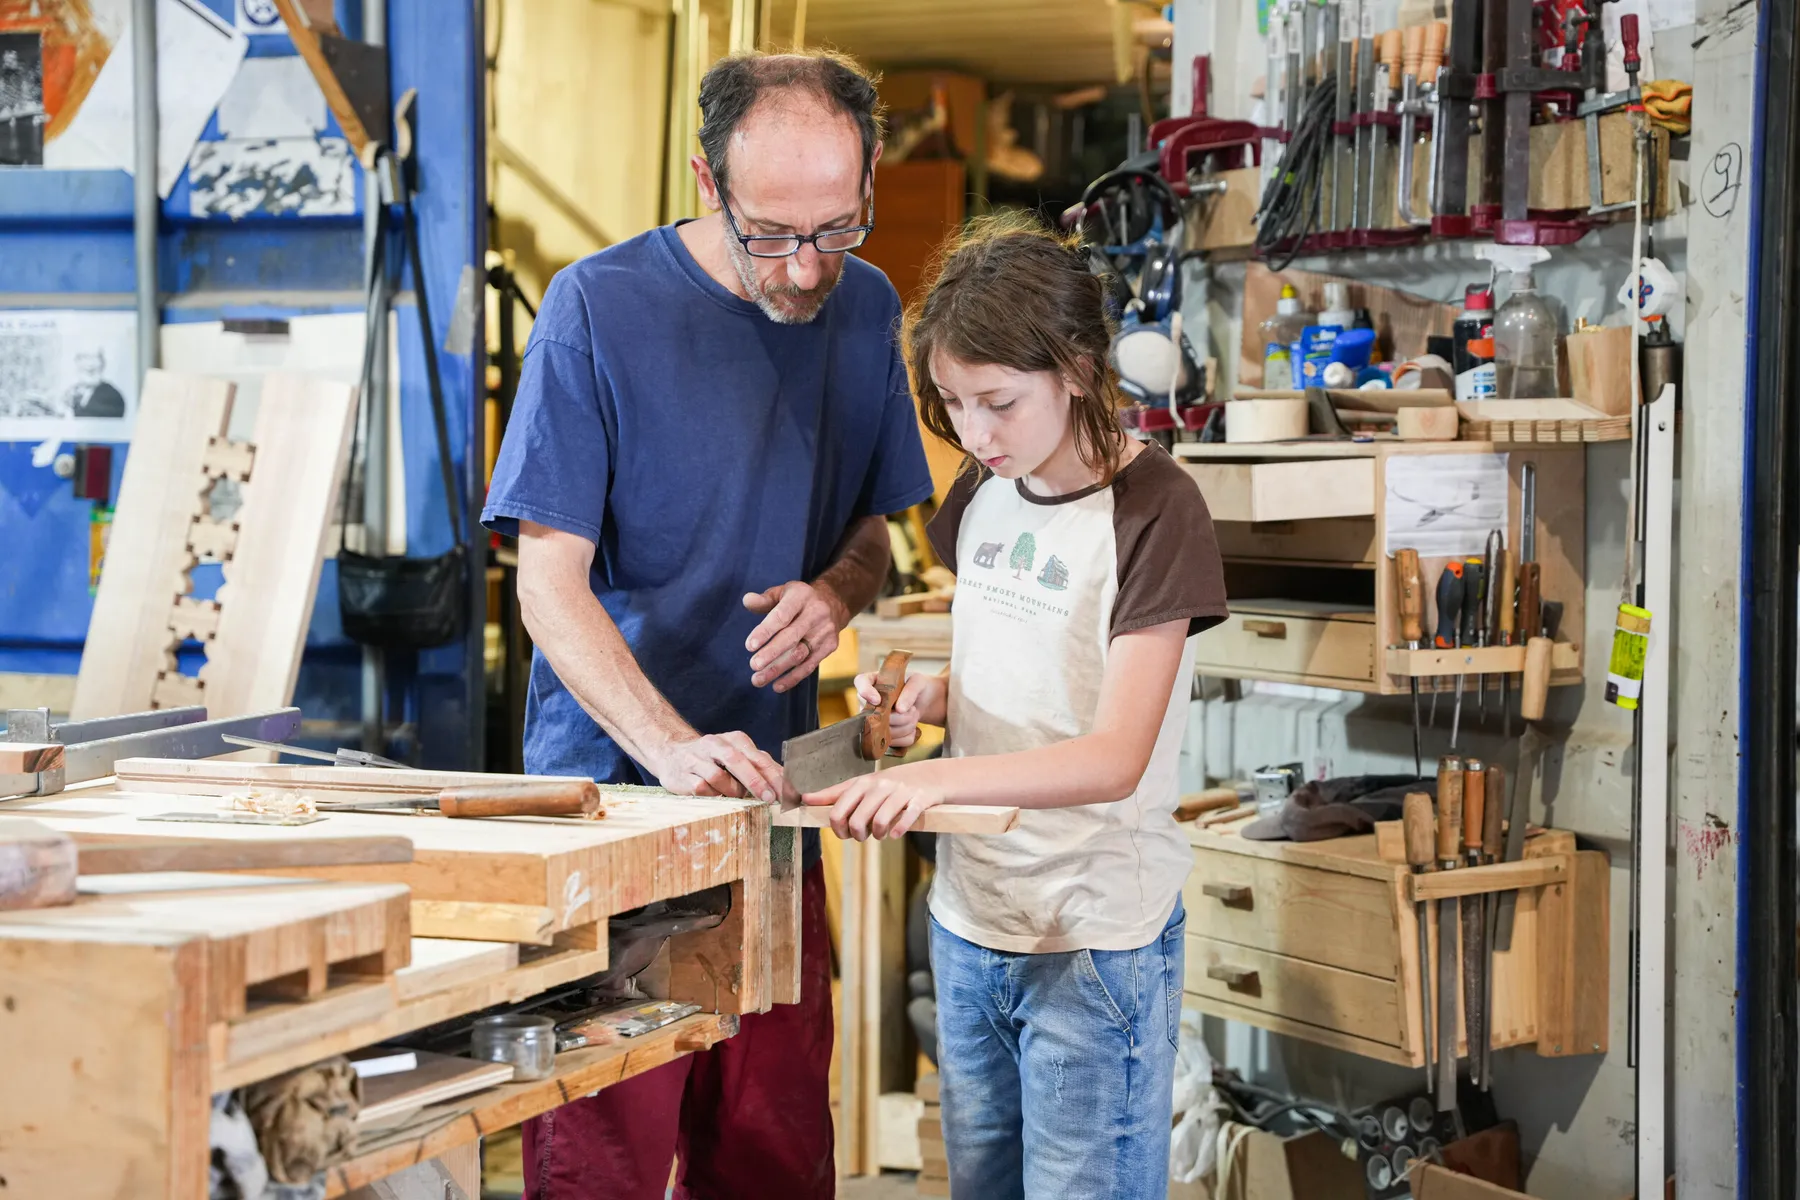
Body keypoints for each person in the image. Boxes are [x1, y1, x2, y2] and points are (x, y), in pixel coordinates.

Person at [480, 50, 935, 1200]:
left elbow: (877, 536)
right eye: (771, 234)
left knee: (771, 1156)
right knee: (604, 1165)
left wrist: (834, 594)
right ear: (706, 180)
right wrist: (670, 748)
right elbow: (547, 585)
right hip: (615, 812)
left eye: (836, 228)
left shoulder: (866, 307)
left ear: (870, 178)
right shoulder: (596, 310)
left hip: (772, 808)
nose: (806, 266)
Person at [806, 215, 1228, 1197]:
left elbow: (1113, 754)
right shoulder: (986, 488)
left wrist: (933, 781)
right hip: (970, 922)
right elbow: (1025, 667)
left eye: (998, 403)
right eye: (953, 405)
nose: (975, 435)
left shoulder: (1156, 511)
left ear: (1076, 369)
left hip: (1091, 939)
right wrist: (927, 702)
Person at [65, 349, 126, 419]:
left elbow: (92, 419)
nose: (90, 364)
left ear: (102, 364)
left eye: (94, 357)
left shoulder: (113, 397)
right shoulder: (72, 392)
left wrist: (70, 413)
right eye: (85, 357)